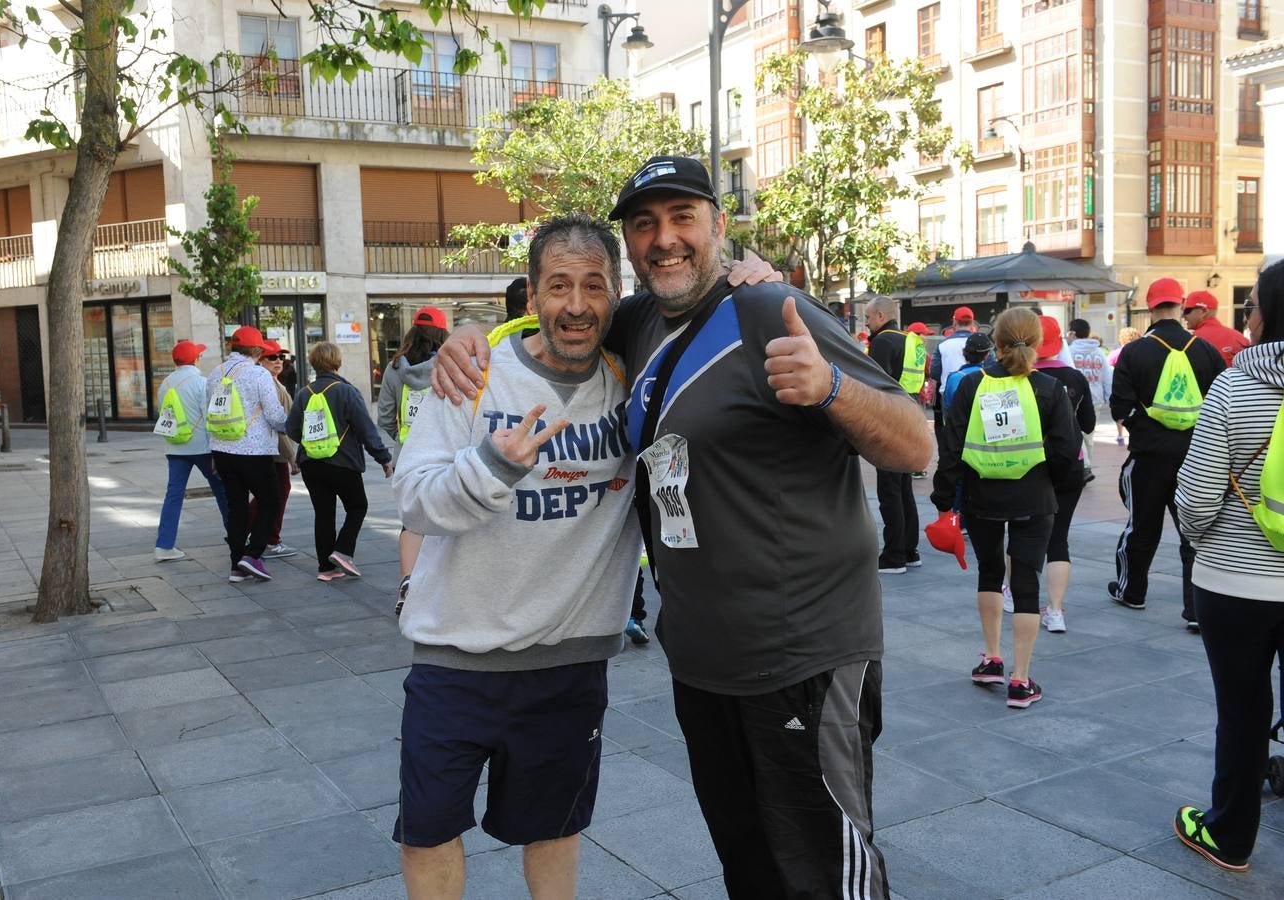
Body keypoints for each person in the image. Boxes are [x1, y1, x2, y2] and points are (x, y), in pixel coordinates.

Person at [434, 155, 932, 898]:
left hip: (802, 655)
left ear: (719, 227)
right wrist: (466, 335)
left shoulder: (770, 310)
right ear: (629, 245)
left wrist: (829, 389)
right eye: (645, 224)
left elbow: (917, 445)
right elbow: (558, 317)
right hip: (702, 662)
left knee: (823, 875)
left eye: (682, 218)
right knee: (751, 867)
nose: (665, 239)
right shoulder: (637, 324)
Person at [391, 215, 640, 899]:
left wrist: (756, 279)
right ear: (531, 296)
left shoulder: (631, 384)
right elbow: (412, 500)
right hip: (454, 660)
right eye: (558, 286)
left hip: (569, 664)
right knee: (429, 829)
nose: (577, 305)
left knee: (555, 830)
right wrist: (489, 470)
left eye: (594, 285)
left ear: (616, 295)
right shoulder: (474, 378)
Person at [1171, 260, 1284, 872]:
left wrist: (1208, 540)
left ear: (1265, 313)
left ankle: (1230, 836)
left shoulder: (1235, 387)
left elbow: (1195, 497)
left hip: (1236, 583)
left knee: (1242, 712)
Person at [931, 308, 1083, 708]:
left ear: (994, 343)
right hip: (1035, 497)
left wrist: (944, 498)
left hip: (983, 496)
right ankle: (1020, 679)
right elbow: (1068, 450)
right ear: (1036, 344)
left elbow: (952, 448)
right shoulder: (1049, 388)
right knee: (1027, 583)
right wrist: (1057, 481)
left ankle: (992, 657)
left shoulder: (969, 386)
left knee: (990, 572)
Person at [1108, 278, 1225, 628]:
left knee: (1141, 528)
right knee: (1194, 532)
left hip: (1149, 457)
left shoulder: (1135, 351)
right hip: (1196, 457)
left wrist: (1147, 430)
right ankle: (1194, 609)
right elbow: (1221, 402)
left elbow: (1120, 406)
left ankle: (1133, 592)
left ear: (1151, 306)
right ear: (1181, 304)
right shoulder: (1205, 350)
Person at [286, 342, 392, 581]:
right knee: (357, 506)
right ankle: (343, 551)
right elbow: (366, 429)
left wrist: (313, 441)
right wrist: (383, 458)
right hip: (342, 462)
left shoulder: (304, 393)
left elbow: (291, 429)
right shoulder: (346, 391)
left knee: (323, 514)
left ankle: (325, 568)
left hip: (311, 463)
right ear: (337, 361)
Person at [377, 307, 450, 612]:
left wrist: (399, 441)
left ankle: (408, 581)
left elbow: (384, 416)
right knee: (447, 518)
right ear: (443, 334)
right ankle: (443, 587)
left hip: (408, 454)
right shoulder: (451, 364)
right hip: (446, 452)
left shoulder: (394, 369)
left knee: (412, 520)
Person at [207, 325, 289, 583]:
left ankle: (236, 566)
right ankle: (253, 554)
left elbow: (207, 411)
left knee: (236, 507)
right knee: (270, 500)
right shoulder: (258, 374)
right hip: (253, 450)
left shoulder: (214, 373)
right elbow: (275, 416)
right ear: (256, 350)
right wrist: (291, 425)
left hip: (221, 449)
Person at [1034, 316, 1095, 634]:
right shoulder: (1074, 378)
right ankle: (1055, 611)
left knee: (1023, 533)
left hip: (1026, 466)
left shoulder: (1016, 378)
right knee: (1059, 538)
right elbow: (1088, 425)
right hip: (1069, 464)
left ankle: (1012, 595)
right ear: (1059, 342)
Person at [152, 341, 229, 562]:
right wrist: (217, 450)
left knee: (173, 495)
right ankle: (236, 535)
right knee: (222, 489)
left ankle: (164, 546)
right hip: (203, 447)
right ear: (195, 359)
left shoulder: (165, 384)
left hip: (175, 445)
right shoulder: (201, 383)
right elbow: (210, 417)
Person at [865, 296, 923, 574]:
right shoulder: (912, 340)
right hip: (911, 414)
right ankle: (910, 550)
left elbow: (875, 383)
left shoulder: (882, 342)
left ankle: (894, 555)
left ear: (879, 315)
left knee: (889, 490)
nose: (866, 323)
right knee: (904, 488)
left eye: (867, 317)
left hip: (890, 418)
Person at [247, 339, 298, 560]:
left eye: (281, 357)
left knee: (269, 495)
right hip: (274, 449)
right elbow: (278, 425)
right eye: (272, 357)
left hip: (271, 448)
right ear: (261, 359)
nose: (278, 361)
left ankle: (244, 530)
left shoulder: (275, 382)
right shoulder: (268, 383)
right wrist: (292, 457)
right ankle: (270, 539)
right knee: (277, 494)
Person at [930, 307, 980, 445]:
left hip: (949, 395)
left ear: (954, 321)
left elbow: (934, 372)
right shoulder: (980, 342)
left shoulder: (943, 344)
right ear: (972, 322)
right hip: (979, 393)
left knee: (952, 435)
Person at [1067, 318, 1112, 465]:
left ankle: (1080, 465)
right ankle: (1087, 465)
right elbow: (1107, 377)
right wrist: (1108, 397)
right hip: (1095, 399)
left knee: (1072, 433)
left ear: (1072, 333)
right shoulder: (1099, 353)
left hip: (1073, 399)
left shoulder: (1069, 351)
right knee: (1089, 435)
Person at [1184, 290, 1250, 366]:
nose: (1183, 315)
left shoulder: (1191, 340)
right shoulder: (1240, 338)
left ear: (1204, 311)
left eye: (1187, 311)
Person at [941, 332, 992, 411]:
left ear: (964, 352)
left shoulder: (953, 378)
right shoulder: (990, 378)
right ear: (986, 356)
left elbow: (948, 409)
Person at [1109, 326, 1142, 446]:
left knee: (1121, 410)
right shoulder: (1141, 352)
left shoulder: (1116, 353)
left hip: (1120, 387)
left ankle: (1120, 434)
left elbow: (1109, 368)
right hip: (1138, 387)